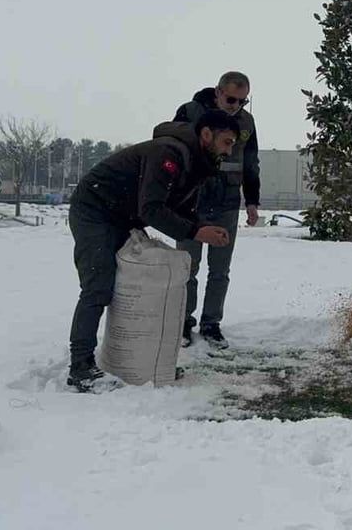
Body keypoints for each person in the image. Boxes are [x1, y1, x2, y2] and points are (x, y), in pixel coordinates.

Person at [66, 111, 240, 392]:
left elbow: (181, 208)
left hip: (122, 216)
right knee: (98, 285)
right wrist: (196, 232)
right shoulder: (168, 154)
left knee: (128, 287)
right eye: (226, 142)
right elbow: (152, 208)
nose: (229, 150)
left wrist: (203, 226)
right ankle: (80, 367)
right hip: (94, 210)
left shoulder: (196, 162)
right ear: (206, 134)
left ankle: (140, 362)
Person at [172, 71, 261, 350]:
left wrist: (252, 201)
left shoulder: (246, 122)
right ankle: (183, 322)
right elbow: (174, 150)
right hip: (192, 202)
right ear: (218, 92)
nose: (236, 106)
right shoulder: (191, 112)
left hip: (227, 204)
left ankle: (212, 323)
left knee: (220, 270)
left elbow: (250, 162)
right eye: (231, 99)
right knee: (187, 266)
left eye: (242, 101)